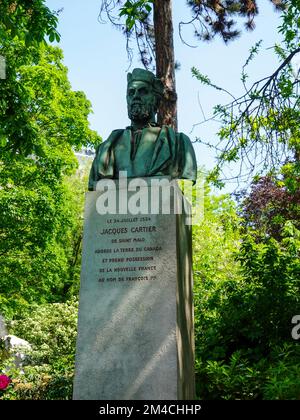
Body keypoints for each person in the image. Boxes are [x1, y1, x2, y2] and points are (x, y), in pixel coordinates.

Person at [88, 68, 197, 190]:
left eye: (143, 92)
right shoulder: (108, 147)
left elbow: (184, 185)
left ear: (155, 100)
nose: (136, 97)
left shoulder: (178, 144)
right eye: (131, 93)